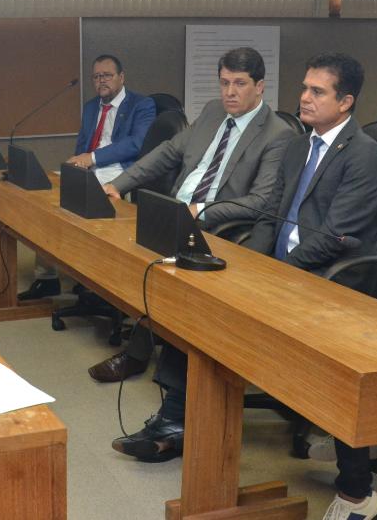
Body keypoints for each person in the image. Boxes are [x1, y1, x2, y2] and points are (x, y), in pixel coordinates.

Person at [112, 52, 377, 520]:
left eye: (317, 91)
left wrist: (275, 273)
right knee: (200, 299)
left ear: (346, 102)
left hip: (336, 279)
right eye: (304, 88)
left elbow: (334, 237)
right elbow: (269, 214)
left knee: (328, 365)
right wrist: (248, 265)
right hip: (287, 267)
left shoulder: (364, 154)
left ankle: (358, 491)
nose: (304, 97)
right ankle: (176, 420)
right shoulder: (300, 146)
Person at [86, 47, 295, 383]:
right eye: (224, 82)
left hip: (220, 226)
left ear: (259, 86)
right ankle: (149, 347)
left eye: (239, 83)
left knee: (158, 264)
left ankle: (147, 360)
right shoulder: (213, 111)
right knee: (126, 247)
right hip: (176, 209)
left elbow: (259, 201)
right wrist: (118, 184)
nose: (229, 92)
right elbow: (169, 152)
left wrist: (200, 209)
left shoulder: (278, 134)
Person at [18, 54, 156, 301]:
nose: (101, 81)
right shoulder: (91, 107)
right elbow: (81, 145)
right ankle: (47, 278)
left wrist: (92, 158)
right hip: (89, 167)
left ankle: (95, 280)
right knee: (48, 198)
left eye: (107, 75)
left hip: (120, 170)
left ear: (121, 77)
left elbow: (136, 144)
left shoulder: (142, 105)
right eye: (96, 76)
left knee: (85, 204)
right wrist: (75, 166)